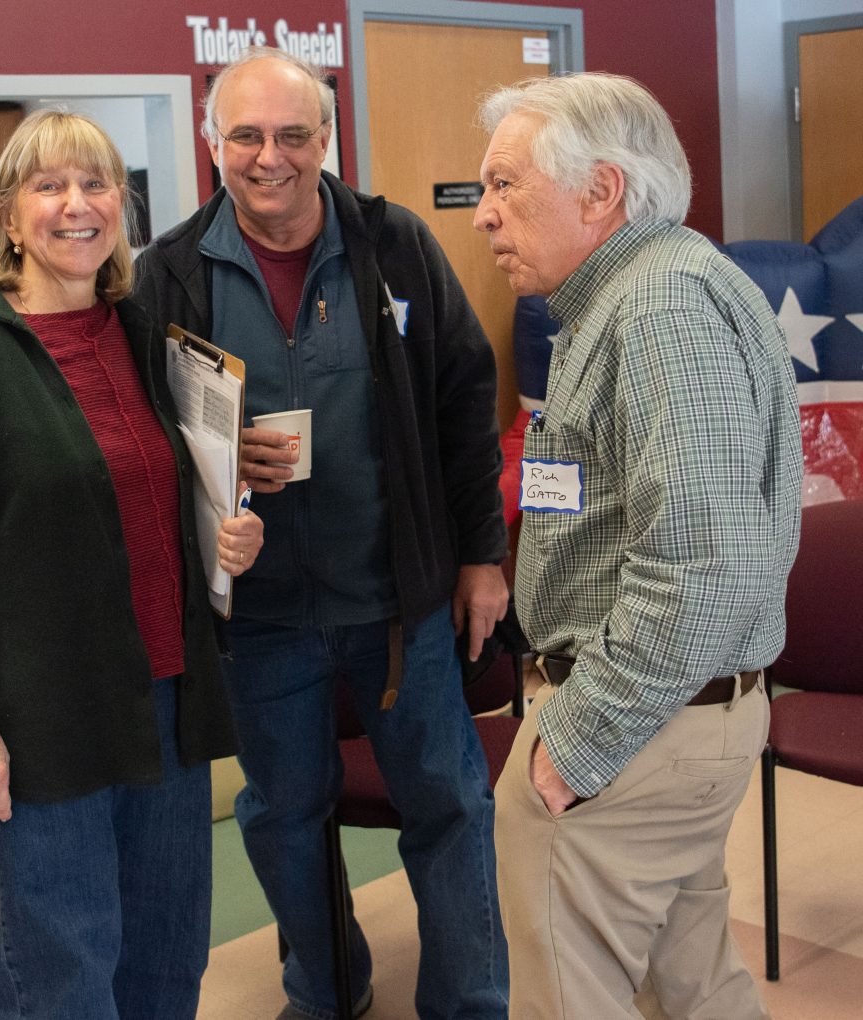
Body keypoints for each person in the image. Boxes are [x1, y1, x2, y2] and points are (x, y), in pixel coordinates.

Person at [134, 46, 510, 1020]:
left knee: (452, 807)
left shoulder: (395, 245)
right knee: (282, 818)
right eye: (248, 136)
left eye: (293, 134)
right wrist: (208, 477)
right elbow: (137, 451)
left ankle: (470, 1005)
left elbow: (465, 402)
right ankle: (327, 986)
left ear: (325, 139)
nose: (271, 157)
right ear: (214, 145)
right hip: (259, 624)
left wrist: (481, 556)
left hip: (402, 608)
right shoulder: (166, 276)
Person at [0, 110, 263, 1020]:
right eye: (48, 186)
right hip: (38, 726)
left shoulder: (140, 338)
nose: (76, 205)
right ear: (10, 219)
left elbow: (145, 498)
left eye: (97, 184)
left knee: (167, 964)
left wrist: (223, 536)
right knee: (60, 980)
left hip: (163, 706)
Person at [473, 72, 802, 1020]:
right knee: (693, 987)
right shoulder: (624, 297)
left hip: (634, 728)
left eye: (506, 186)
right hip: (668, 722)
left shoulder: (658, 308)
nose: (485, 216)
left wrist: (576, 745)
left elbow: (704, 562)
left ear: (601, 190)